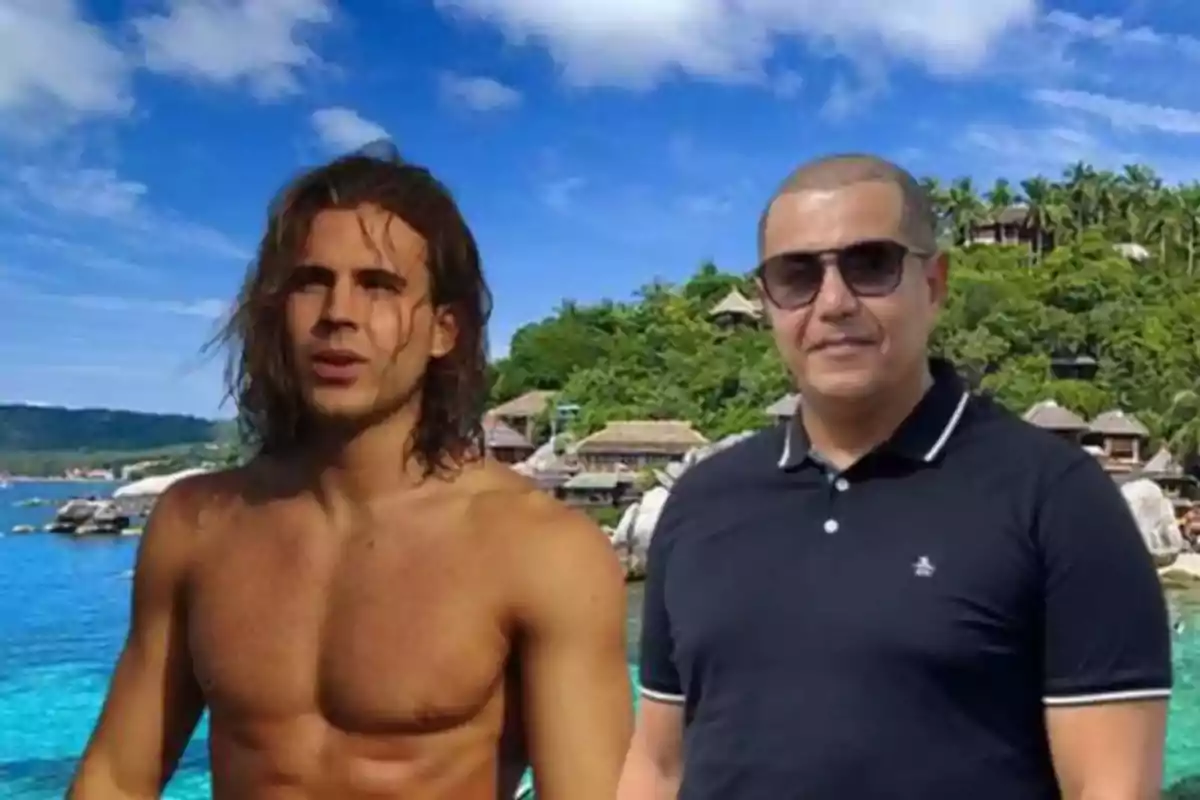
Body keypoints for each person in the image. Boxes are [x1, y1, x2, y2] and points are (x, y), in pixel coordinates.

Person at [69, 148, 632, 799]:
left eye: (379, 286)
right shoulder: (196, 525)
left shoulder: (541, 551)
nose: (339, 313)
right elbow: (114, 777)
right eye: (311, 281)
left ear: (443, 329)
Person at [617, 154, 1172, 799]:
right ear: (767, 301)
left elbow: (1110, 789)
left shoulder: (1057, 500)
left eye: (870, 264)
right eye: (796, 275)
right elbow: (657, 767)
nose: (833, 303)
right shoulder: (700, 503)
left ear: (933, 284)